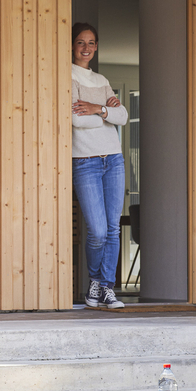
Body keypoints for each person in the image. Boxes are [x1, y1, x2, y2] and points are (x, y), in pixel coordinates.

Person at [70, 22, 129, 310]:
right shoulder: (68, 76)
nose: (86, 48)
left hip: (114, 158)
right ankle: (95, 282)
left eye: (91, 43)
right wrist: (107, 113)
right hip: (85, 161)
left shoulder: (102, 78)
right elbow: (77, 121)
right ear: (72, 45)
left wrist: (98, 109)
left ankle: (106, 288)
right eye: (81, 42)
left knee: (113, 228)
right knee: (97, 230)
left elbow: (124, 116)